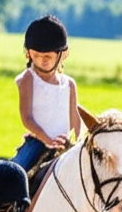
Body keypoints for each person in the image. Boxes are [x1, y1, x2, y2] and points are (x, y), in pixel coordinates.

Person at [9, 15, 81, 173]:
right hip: (37, 143)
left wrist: (79, 142)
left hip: (65, 144)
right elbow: (26, 118)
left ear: (63, 54)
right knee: (15, 174)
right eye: (37, 56)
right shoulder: (28, 79)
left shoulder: (69, 84)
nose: (42, 61)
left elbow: (75, 117)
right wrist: (46, 139)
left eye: (48, 56)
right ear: (28, 54)